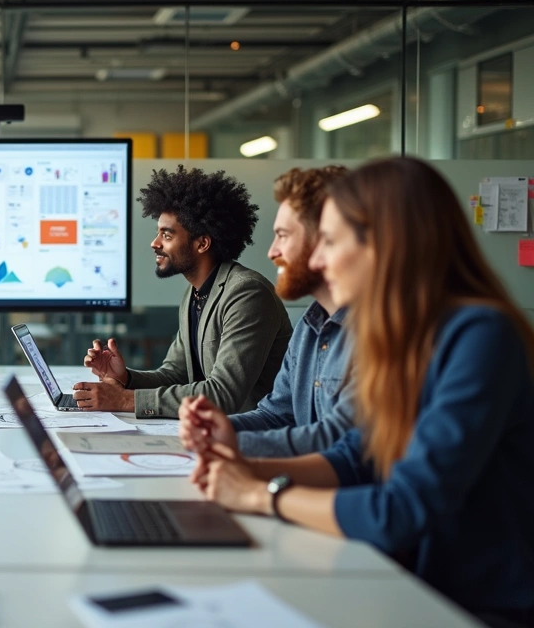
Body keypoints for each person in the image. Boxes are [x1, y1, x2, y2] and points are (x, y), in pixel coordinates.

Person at [187, 157, 534, 626]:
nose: (317, 261)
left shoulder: (479, 336)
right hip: (401, 584)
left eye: (330, 241)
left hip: (466, 608)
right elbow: (355, 457)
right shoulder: (402, 337)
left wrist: (258, 494)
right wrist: (237, 465)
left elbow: (400, 509)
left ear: (385, 244)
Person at [79, 166, 292, 419]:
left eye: (166, 235)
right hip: (208, 432)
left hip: (253, 436)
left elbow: (223, 394)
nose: (155, 243)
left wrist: (125, 400)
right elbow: (174, 374)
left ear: (202, 243)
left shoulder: (247, 293)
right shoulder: (195, 294)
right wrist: (124, 378)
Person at [178, 166, 355, 457]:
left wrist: (231, 444)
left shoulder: (377, 331)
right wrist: (216, 430)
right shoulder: (309, 327)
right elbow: (277, 415)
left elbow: (339, 443)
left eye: (283, 236)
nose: (272, 252)